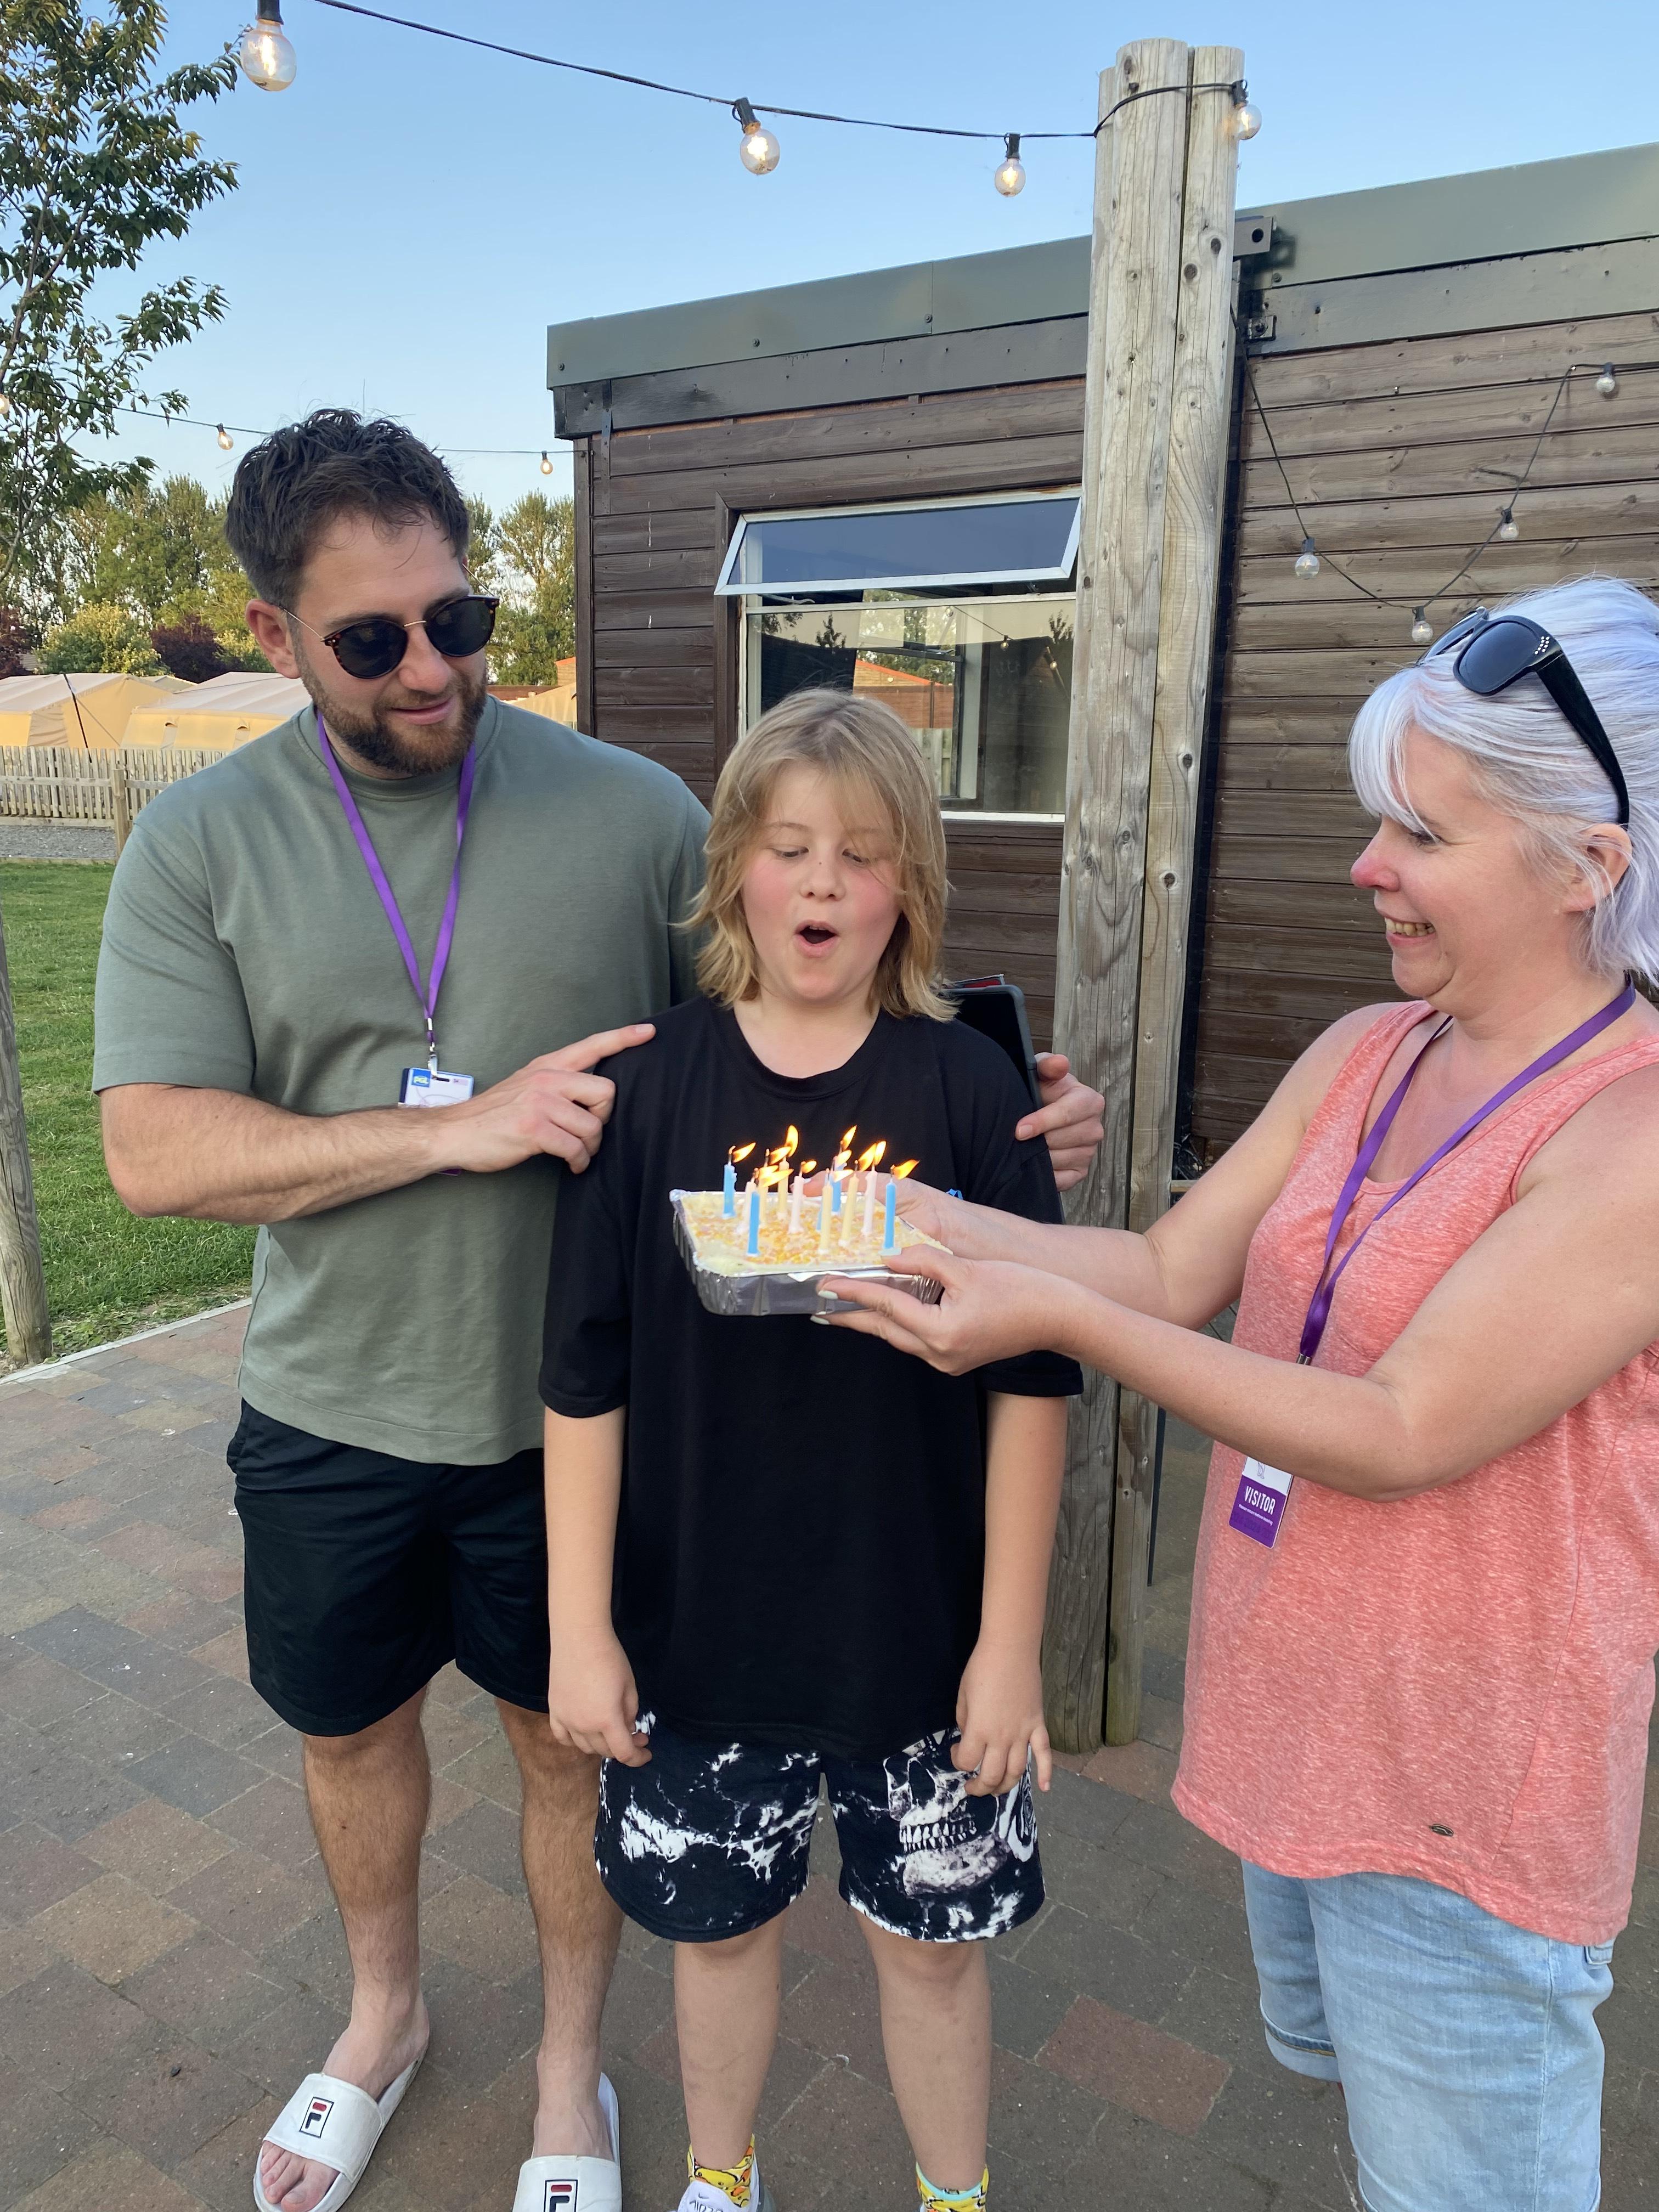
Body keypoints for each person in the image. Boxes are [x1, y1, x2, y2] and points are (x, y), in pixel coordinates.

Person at [91, 414, 1105, 2212]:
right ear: (272, 635)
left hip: (577, 1431)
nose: (434, 666)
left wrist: (1013, 1102)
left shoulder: (631, 812)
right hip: (334, 1400)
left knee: (570, 1750)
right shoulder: (198, 844)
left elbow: (802, 978)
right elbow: (152, 1154)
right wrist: (455, 1128)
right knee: (348, 1734)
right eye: (374, 639)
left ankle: (574, 2076)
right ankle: (383, 2018)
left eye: (461, 619)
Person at [825, 576, 1659, 2212]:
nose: (1367, 866)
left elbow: (1400, 1430)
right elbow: (1166, 1266)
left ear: (1589, 867)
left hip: (1458, 1788)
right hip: (1304, 1727)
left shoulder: (1631, 1135)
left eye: (1421, 833)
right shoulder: (1371, 1049)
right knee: (1382, 2141)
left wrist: (1035, 1319)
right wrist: (924, 1214)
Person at [539, 691, 1082, 2212]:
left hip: (923, 1648)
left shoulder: (969, 1092)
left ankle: (954, 2195)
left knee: (934, 1958)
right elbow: (583, 1379)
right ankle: (722, 2181)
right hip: (698, 1642)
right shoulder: (650, 1091)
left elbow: (1036, 1379)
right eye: (787, 848)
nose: (823, 882)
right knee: (715, 1940)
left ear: (911, 880)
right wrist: (580, 1629)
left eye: (862, 851)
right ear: (731, 869)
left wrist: (1011, 1647)